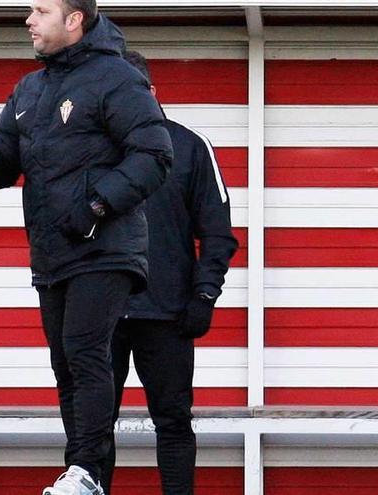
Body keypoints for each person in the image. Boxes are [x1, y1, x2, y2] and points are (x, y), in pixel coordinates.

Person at [0, 1, 172, 494]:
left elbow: (154, 154)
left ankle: (87, 470)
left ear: (74, 19)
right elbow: (4, 158)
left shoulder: (116, 77)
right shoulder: (30, 88)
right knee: (64, 362)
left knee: (83, 350)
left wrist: (97, 205)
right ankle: (81, 471)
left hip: (106, 248)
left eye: (40, 10)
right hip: (52, 252)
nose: (28, 20)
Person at [96, 50, 237, 495]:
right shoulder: (87, 150)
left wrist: (203, 297)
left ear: (153, 93)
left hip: (170, 315)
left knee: (174, 422)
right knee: (92, 428)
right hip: (99, 315)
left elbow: (218, 233)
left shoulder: (191, 146)